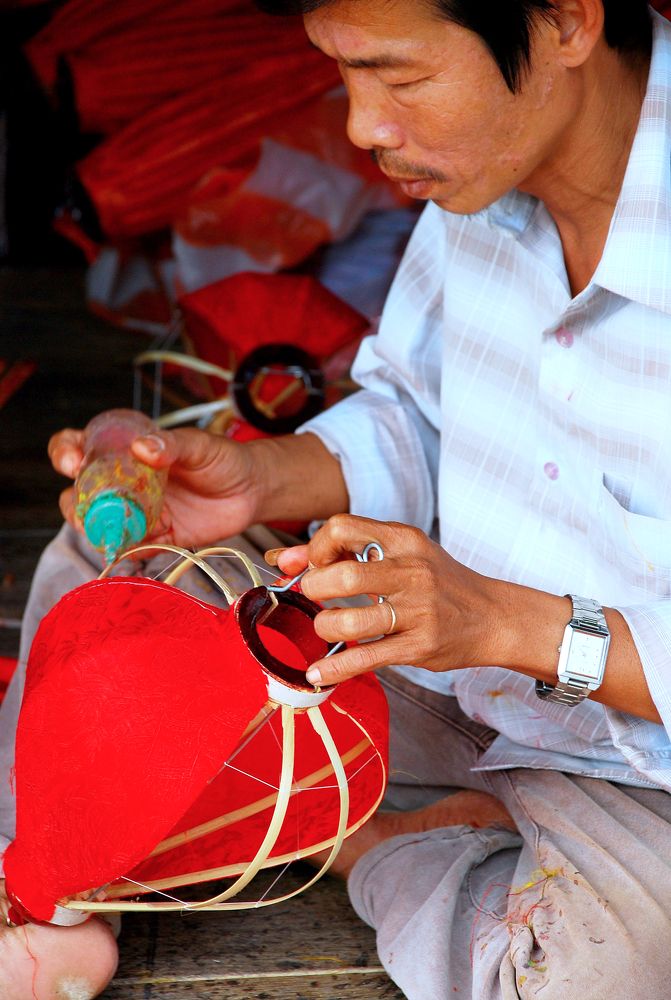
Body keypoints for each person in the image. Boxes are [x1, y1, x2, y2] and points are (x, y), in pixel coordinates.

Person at [2, 0, 671, 996]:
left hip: (632, 775)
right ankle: (54, 865)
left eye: (398, 79)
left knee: (600, 969)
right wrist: (253, 483)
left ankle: (360, 840)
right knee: (113, 581)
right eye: (343, 72)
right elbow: (415, 410)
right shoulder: (480, 181)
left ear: (567, 22)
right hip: (426, 686)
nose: (361, 125)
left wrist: (505, 622)